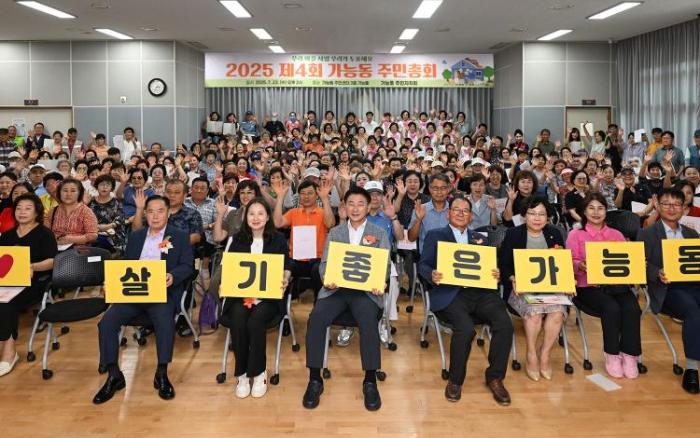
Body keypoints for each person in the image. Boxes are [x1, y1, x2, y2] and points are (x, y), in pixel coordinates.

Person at [93, 195, 194, 404]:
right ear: (145, 214)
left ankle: (162, 373)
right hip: (134, 292)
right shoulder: (136, 236)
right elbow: (126, 264)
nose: (155, 216)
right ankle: (114, 374)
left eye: (160, 211)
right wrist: (112, 281)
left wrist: (173, 276)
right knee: (106, 323)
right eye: (151, 211)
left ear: (168, 213)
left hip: (162, 292)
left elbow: (187, 266)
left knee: (165, 321)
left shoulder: (179, 236)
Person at [418, 194, 513, 405]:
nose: (460, 214)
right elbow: (423, 264)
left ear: (471, 216)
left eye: (465, 211)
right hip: (451, 293)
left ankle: (495, 377)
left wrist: (496, 273)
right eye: (456, 210)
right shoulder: (435, 235)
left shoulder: (480, 238)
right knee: (466, 329)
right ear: (448, 214)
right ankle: (455, 380)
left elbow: (490, 267)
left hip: (481, 293)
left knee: (504, 324)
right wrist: (431, 274)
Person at [303, 186, 390, 412]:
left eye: (361, 204)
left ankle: (370, 381)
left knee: (368, 322)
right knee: (316, 318)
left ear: (368, 207)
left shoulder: (379, 233)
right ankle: (315, 379)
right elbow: (324, 264)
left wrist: (381, 281)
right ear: (344, 206)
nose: (356, 208)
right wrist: (327, 278)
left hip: (365, 292)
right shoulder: (336, 233)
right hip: (337, 290)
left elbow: (384, 266)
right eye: (351, 203)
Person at [220, 198, 291, 399]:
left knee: (255, 320)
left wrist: (285, 277)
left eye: (261, 213)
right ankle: (242, 374)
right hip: (241, 295)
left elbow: (287, 265)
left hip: (268, 297)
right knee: (238, 318)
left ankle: (259, 372)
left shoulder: (278, 239)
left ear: (268, 217)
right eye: (252, 213)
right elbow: (228, 268)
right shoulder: (236, 239)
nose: (256, 218)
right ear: (246, 217)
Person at [566, 193, 642, 379]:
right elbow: (568, 261)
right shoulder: (576, 235)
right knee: (611, 308)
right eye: (591, 208)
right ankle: (612, 354)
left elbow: (627, 261)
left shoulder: (616, 235)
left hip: (617, 285)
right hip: (588, 287)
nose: (596, 212)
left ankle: (630, 354)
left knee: (632, 307)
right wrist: (580, 265)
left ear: (606, 211)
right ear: (584, 211)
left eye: (600, 208)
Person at [638, 188, 700, 394]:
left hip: (694, 284)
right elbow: (639, 264)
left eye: (676, 204)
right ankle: (692, 369)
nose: (671, 208)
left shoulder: (692, 234)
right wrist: (657, 273)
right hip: (667, 289)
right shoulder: (647, 233)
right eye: (666, 204)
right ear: (658, 206)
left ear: (684, 208)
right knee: (693, 311)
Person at [499, 197, 566, 381]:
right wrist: (512, 278)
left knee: (557, 312)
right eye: (532, 213)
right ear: (524, 216)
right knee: (535, 312)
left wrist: (568, 282)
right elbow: (503, 265)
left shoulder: (555, 233)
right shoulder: (513, 234)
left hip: (550, 289)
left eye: (542, 214)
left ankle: (545, 353)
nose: (537, 218)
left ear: (548, 217)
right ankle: (531, 353)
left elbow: (562, 264)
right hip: (521, 289)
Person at [0, 193, 57, 377]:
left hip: (35, 282)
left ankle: (10, 352)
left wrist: (32, 266)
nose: (22, 212)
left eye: (28, 208)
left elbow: (52, 261)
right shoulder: (6, 236)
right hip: (6, 282)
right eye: (19, 208)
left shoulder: (44, 234)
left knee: (6, 303)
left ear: (37, 212)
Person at [272, 178, 335, 299]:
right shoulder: (293, 212)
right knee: (285, 269)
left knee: (319, 270)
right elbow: (277, 223)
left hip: (317, 260)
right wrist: (280, 197)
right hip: (295, 260)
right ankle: (286, 303)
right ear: (299, 196)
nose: (306, 196)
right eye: (303, 193)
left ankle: (319, 304)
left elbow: (330, 224)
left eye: (310, 193)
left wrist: (325, 199)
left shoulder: (323, 213)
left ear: (317, 195)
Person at [45, 178, 98, 246]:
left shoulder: (86, 211)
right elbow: (46, 232)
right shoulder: (53, 211)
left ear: (79, 193)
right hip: (55, 248)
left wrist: (72, 239)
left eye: (73, 191)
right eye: (65, 190)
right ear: (59, 193)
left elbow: (93, 236)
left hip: (78, 250)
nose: (68, 194)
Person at [407, 174, 451, 253]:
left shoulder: (455, 210)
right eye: (435, 188)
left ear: (448, 189)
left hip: (449, 255)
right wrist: (418, 220)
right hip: (427, 256)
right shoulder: (420, 209)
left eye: (443, 188)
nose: (439, 192)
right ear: (430, 189)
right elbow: (411, 238)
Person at [89, 174, 126, 252]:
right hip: (94, 232)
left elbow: (120, 219)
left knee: (99, 242)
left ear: (112, 188)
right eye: (102, 184)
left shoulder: (117, 202)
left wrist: (107, 226)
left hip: (112, 234)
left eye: (108, 185)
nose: (104, 187)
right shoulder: (91, 202)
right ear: (97, 187)